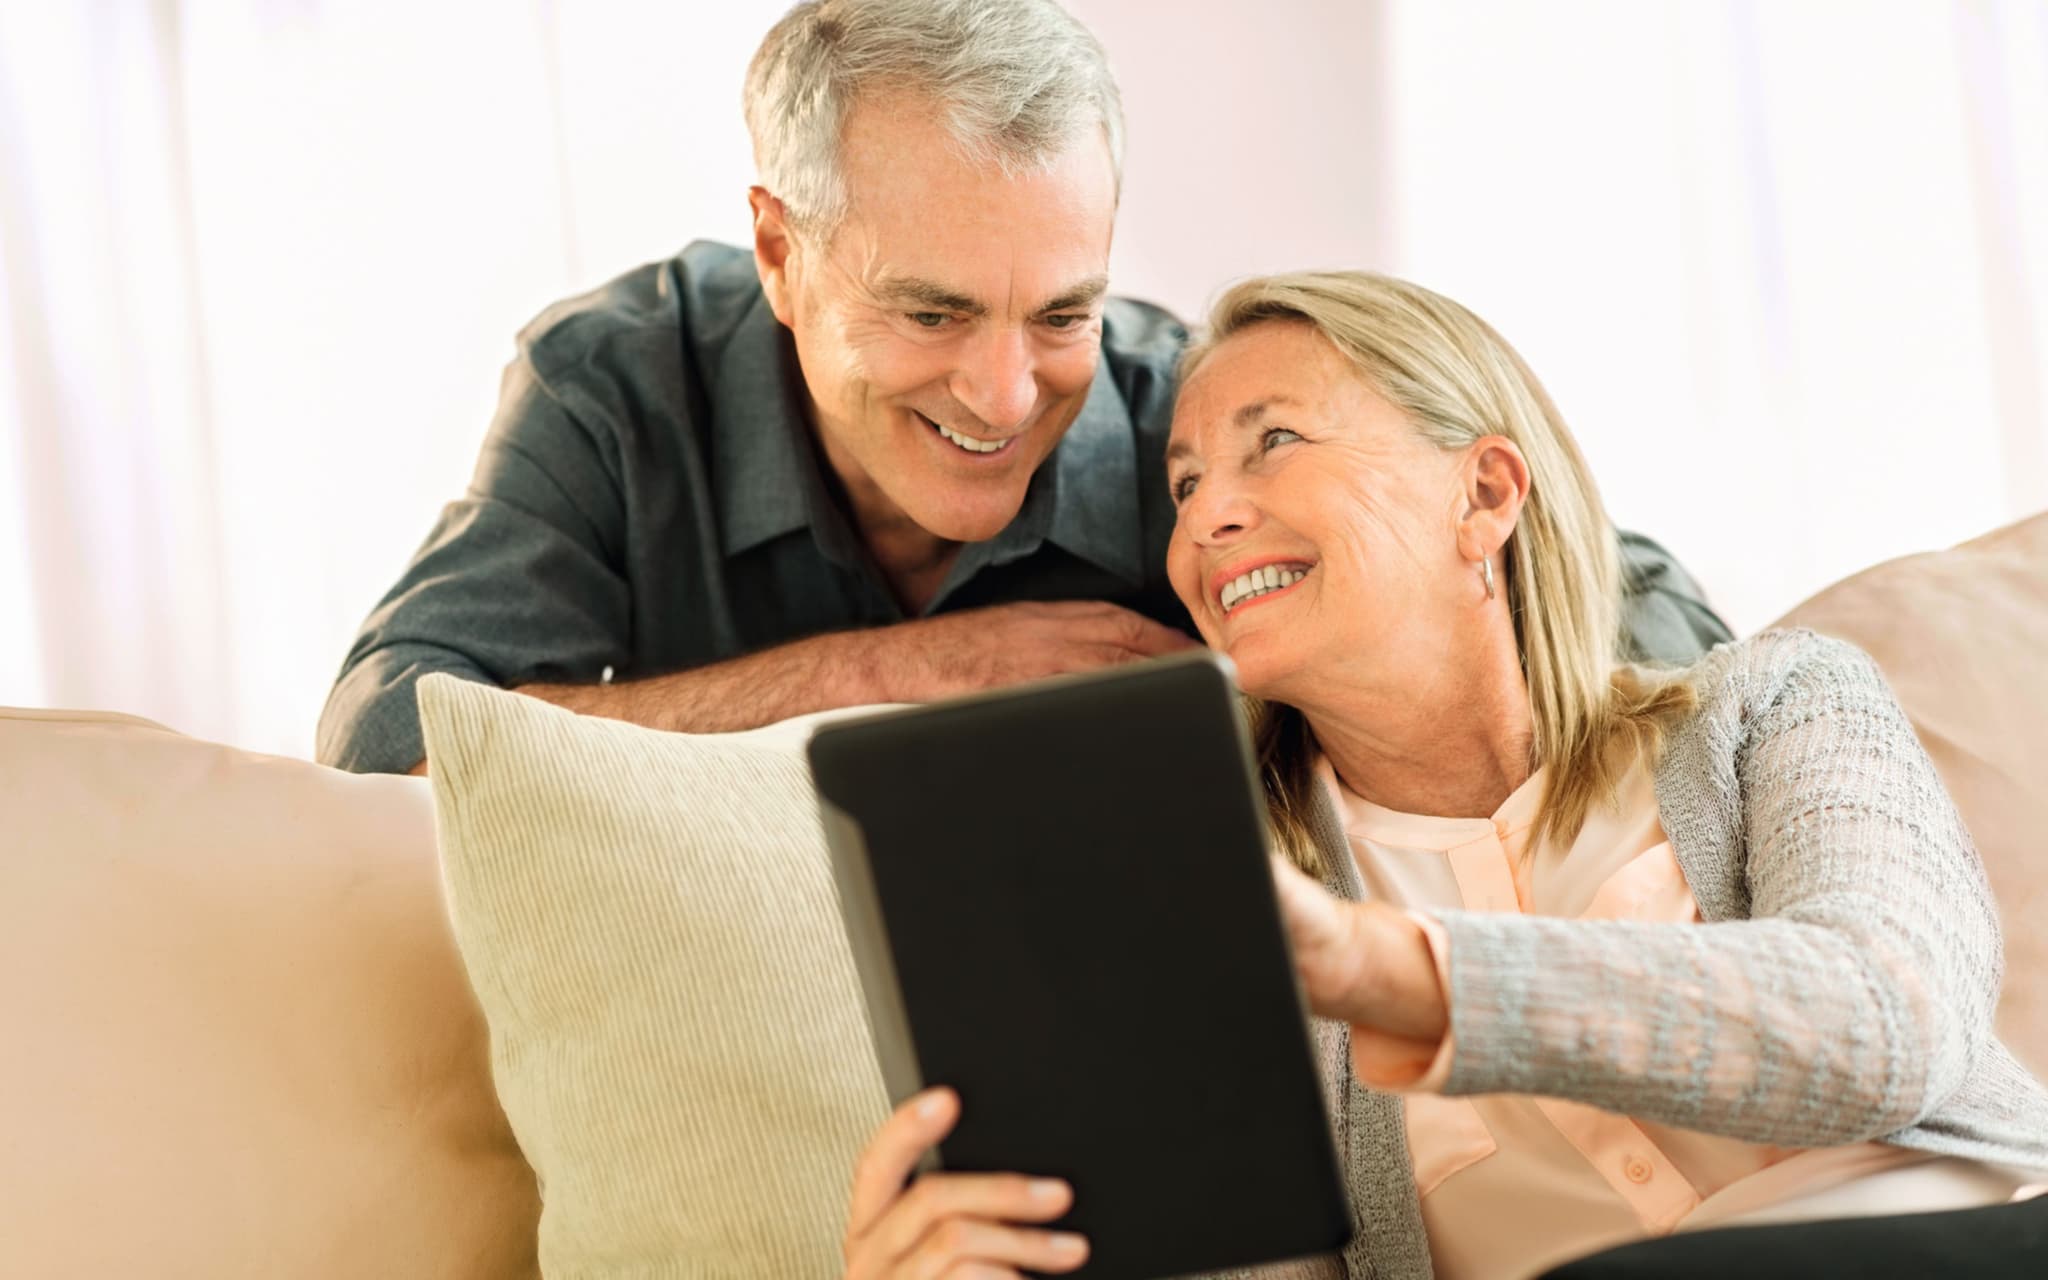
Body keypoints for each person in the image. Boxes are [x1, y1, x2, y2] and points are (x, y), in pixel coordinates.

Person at [840, 271, 2048, 1280]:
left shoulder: (1776, 703)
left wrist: (1381, 967)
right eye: (1187, 482)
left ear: (1480, 494)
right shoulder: (1221, 897)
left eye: (1274, 442)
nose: (1208, 516)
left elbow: (1893, 1018)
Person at [314, 0, 1729, 776]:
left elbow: (1635, 600)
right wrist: (901, 677)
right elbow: (385, 737)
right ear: (780, 251)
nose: (1005, 393)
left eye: (1060, 310)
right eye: (928, 310)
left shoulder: (1189, 415)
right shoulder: (615, 383)